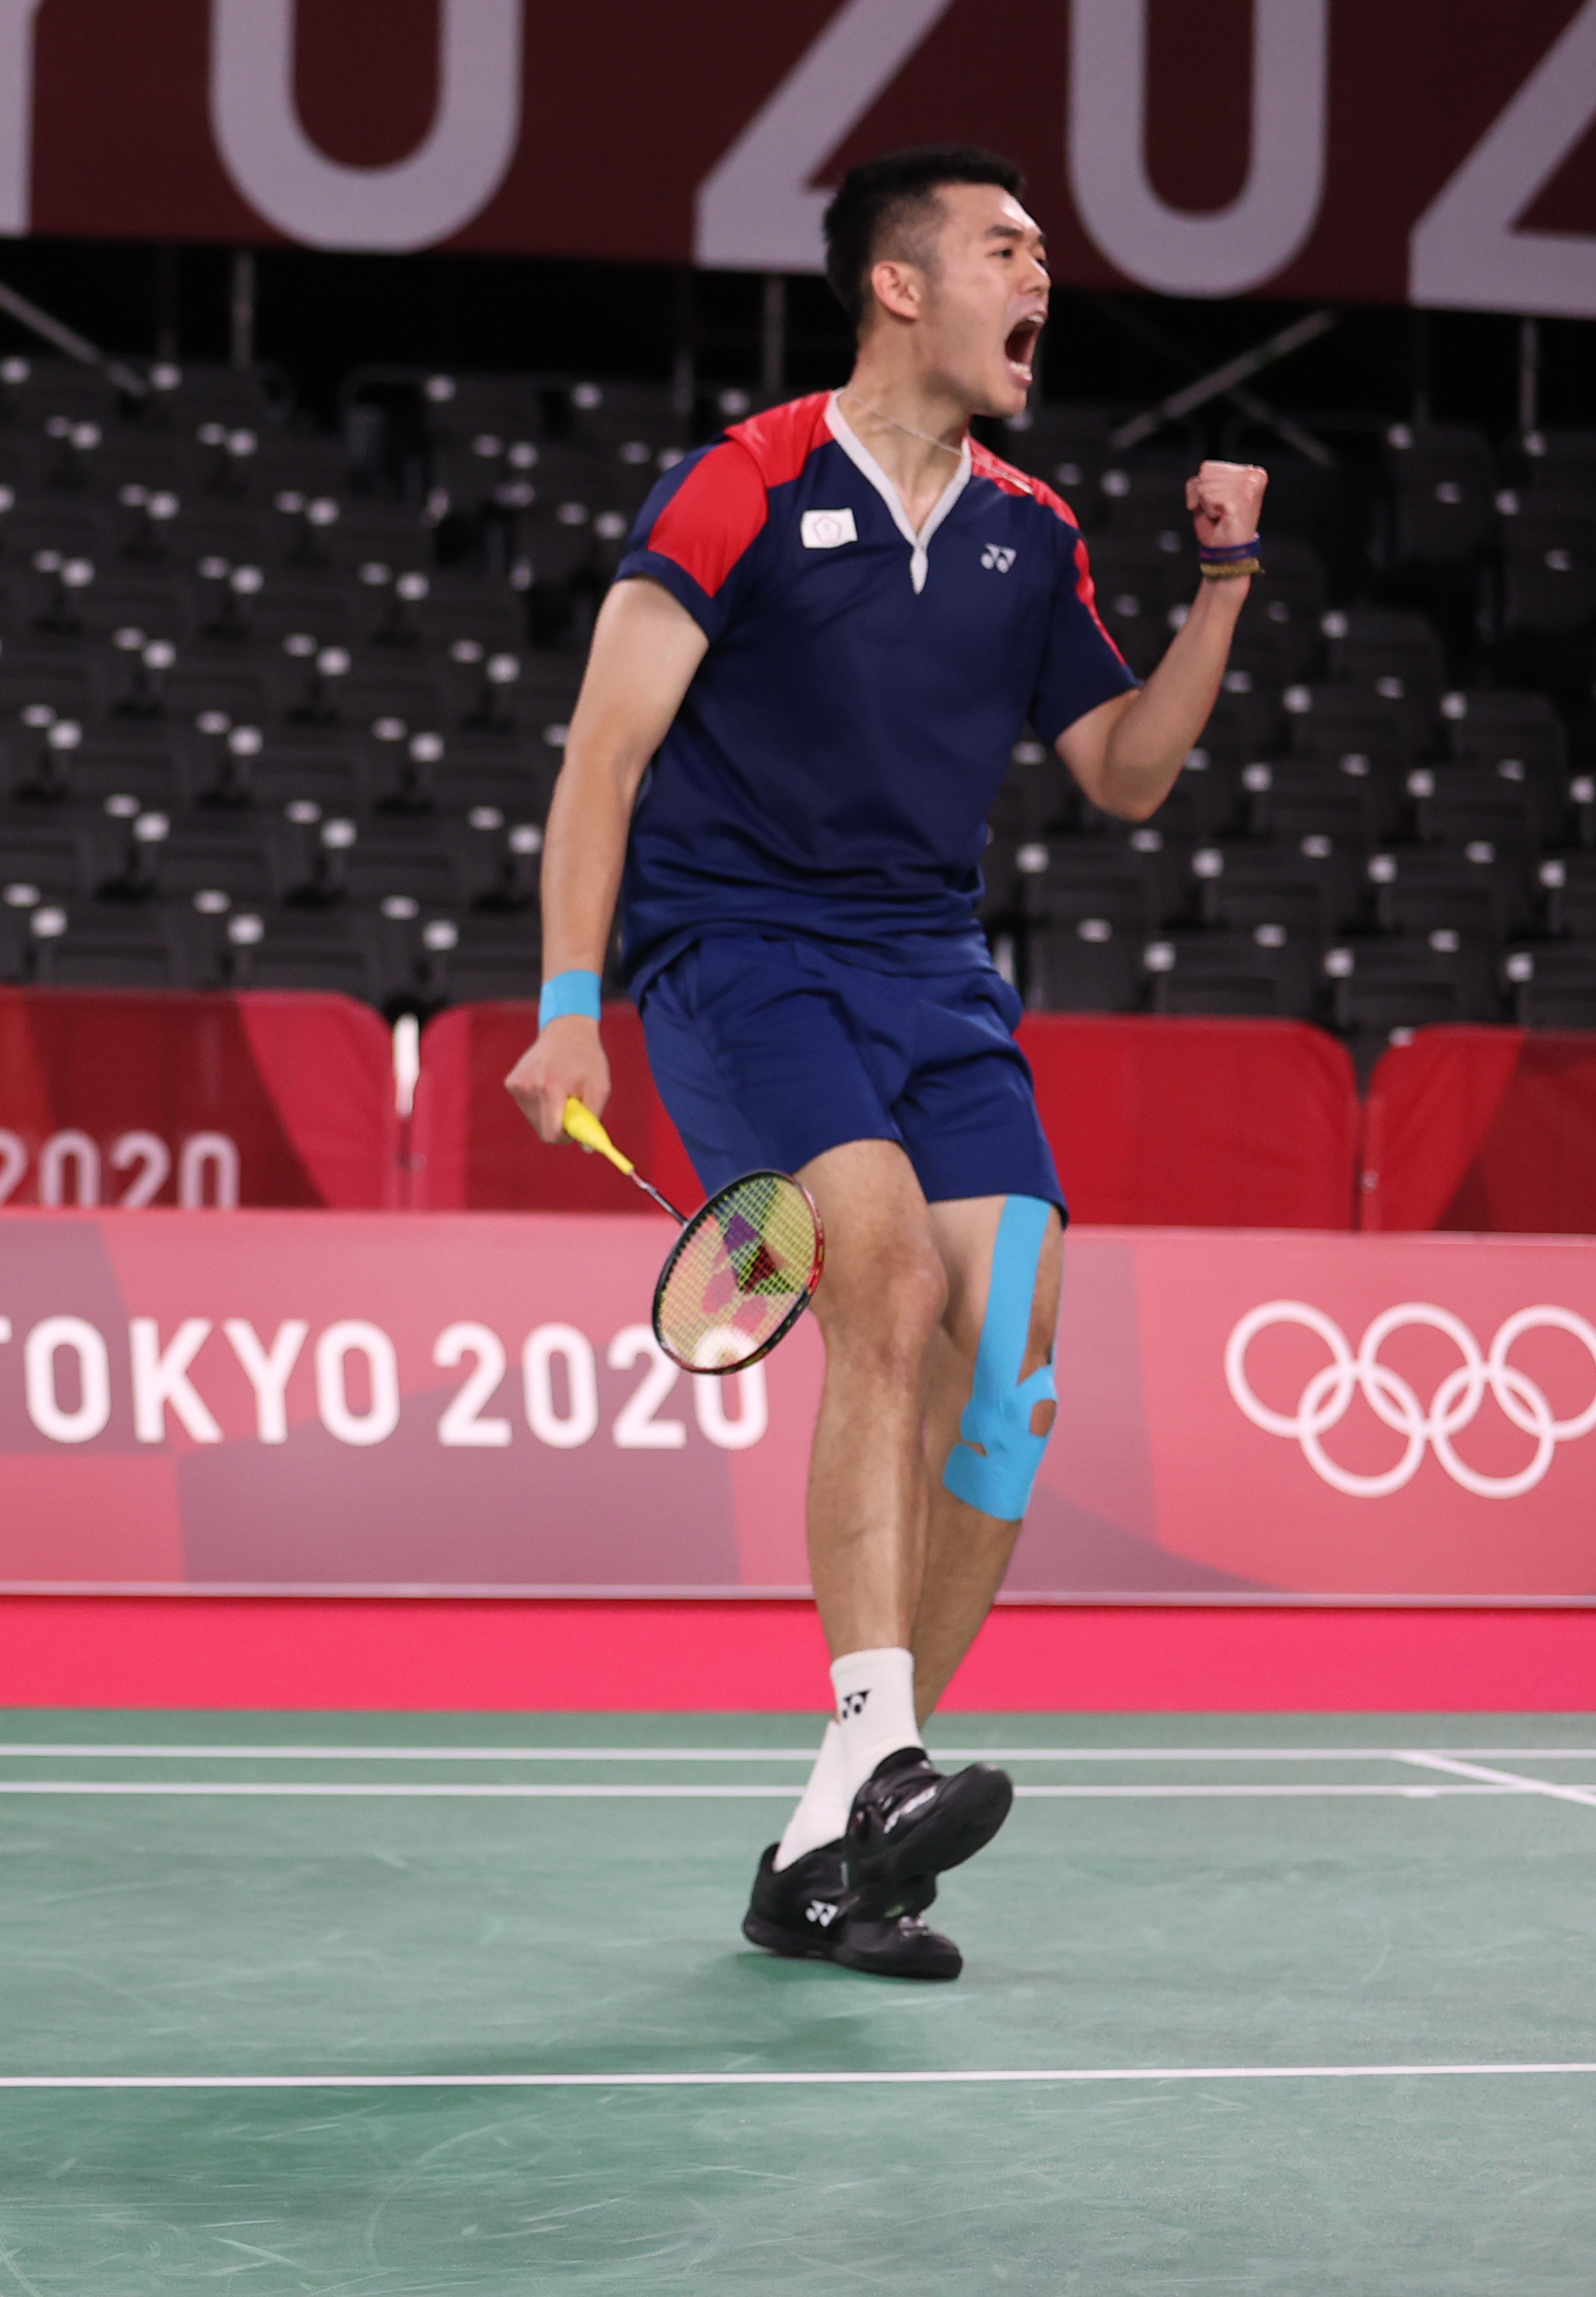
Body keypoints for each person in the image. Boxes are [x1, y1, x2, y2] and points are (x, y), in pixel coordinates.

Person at [504, 146, 1266, 1979]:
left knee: (1009, 1359)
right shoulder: (741, 486)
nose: (1041, 281)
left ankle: (830, 1846)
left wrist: (1224, 585)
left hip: (932, 968)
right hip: (739, 958)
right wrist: (563, 1002)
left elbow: (1125, 772)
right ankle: (881, 1742)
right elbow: (603, 754)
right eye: (1007, 249)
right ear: (900, 285)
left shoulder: (1032, 529)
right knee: (892, 1278)